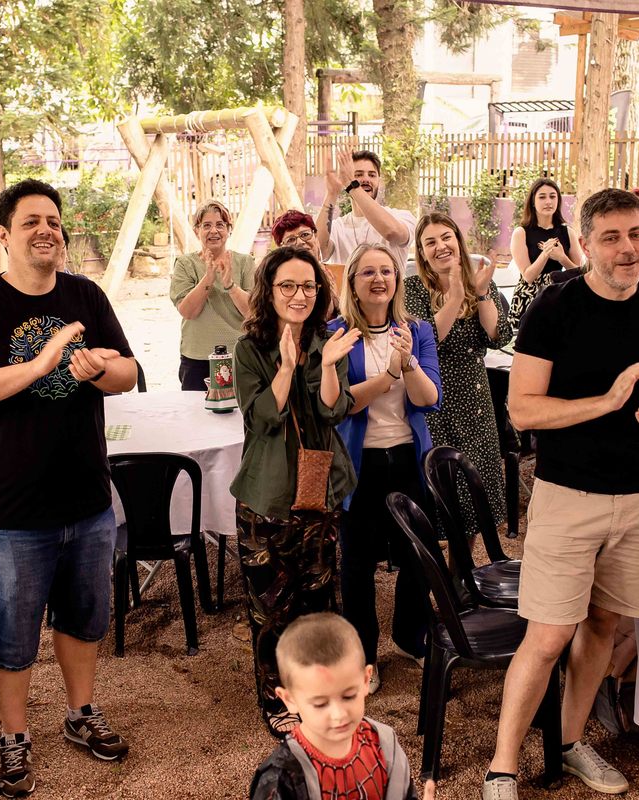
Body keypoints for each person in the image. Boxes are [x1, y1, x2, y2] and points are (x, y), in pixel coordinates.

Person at [483, 189, 639, 800]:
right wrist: (605, 403)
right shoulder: (555, 308)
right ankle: (502, 768)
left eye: (637, 234)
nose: (628, 248)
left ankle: (572, 743)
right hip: (565, 495)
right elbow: (522, 410)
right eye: (611, 237)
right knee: (548, 636)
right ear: (587, 243)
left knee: (603, 624)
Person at [0, 178, 138, 794]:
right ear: (3, 234)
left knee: (84, 618)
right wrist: (37, 365)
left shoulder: (86, 296)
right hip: (10, 508)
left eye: (53, 221)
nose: (46, 230)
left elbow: (129, 372)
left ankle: (80, 714)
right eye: (31, 222)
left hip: (86, 499)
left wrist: (100, 369)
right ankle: (14, 737)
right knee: (13, 630)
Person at [231, 246, 360, 738]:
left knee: (320, 601)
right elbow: (263, 418)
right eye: (287, 286)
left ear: (320, 291)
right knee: (270, 611)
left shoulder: (332, 340)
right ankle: (276, 698)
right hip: (267, 498)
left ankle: (319, 691)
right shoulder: (250, 348)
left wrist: (326, 365)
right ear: (269, 291)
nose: (298, 295)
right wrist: (285, 367)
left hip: (320, 494)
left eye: (308, 286)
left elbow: (333, 412)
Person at [330, 243, 440, 693]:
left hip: (409, 459)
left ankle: (411, 636)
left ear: (397, 280)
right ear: (352, 283)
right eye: (368, 272)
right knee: (356, 565)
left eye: (387, 271)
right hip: (361, 465)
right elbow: (342, 405)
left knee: (419, 555)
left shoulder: (417, 331)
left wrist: (408, 362)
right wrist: (389, 375)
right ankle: (363, 655)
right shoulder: (336, 334)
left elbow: (428, 398)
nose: (379, 279)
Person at [249, 612, 433, 800]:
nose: (338, 714)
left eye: (348, 696)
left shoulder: (385, 743)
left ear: (365, 680)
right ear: (289, 699)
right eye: (320, 704)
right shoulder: (281, 778)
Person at [406, 212, 511, 534]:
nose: (440, 246)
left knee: (473, 501)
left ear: (458, 241)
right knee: (440, 497)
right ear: (422, 253)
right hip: (434, 401)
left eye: (446, 237)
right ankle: (434, 576)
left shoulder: (480, 281)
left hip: (476, 402)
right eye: (430, 242)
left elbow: (499, 335)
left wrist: (479, 294)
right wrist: (454, 298)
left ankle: (459, 577)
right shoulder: (412, 289)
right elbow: (426, 340)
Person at [170, 200, 255, 390]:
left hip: (239, 354)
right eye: (206, 225)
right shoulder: (185, 264)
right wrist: (208, 278)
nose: (214, 231)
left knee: (239, 416)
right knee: (196, 414)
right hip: (197, 356)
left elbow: (253, 312)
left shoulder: (245, 262)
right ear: (197, 230)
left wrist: (230, 285)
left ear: (228, 229)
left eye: (220, 225)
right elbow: (187, 311)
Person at [317, 149, 417, 269]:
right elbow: (319, 250)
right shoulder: (338, 227)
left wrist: (352, 185)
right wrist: (331, 194)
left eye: (372, 175)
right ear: (345, 179)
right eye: (358, 174)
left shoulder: (401, 216)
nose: (366, 179)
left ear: (378, 181)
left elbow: (393, 233)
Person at [508, 178, 584, 323]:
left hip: (559, 293)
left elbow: (579, 273)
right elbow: (528, 277)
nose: (548, 201)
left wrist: (562, 258)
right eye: (542, 197)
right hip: (529, 297)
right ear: (532, 201)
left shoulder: (568, 232)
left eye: (552, 196)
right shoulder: (521, 233)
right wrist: (546, 253)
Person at [272, 209, 341, 317]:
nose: (300, 242)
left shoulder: (334, 272)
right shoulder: (277, 280)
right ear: (280, 248)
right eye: (291, 240)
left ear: (316, 237)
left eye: (305, 235)